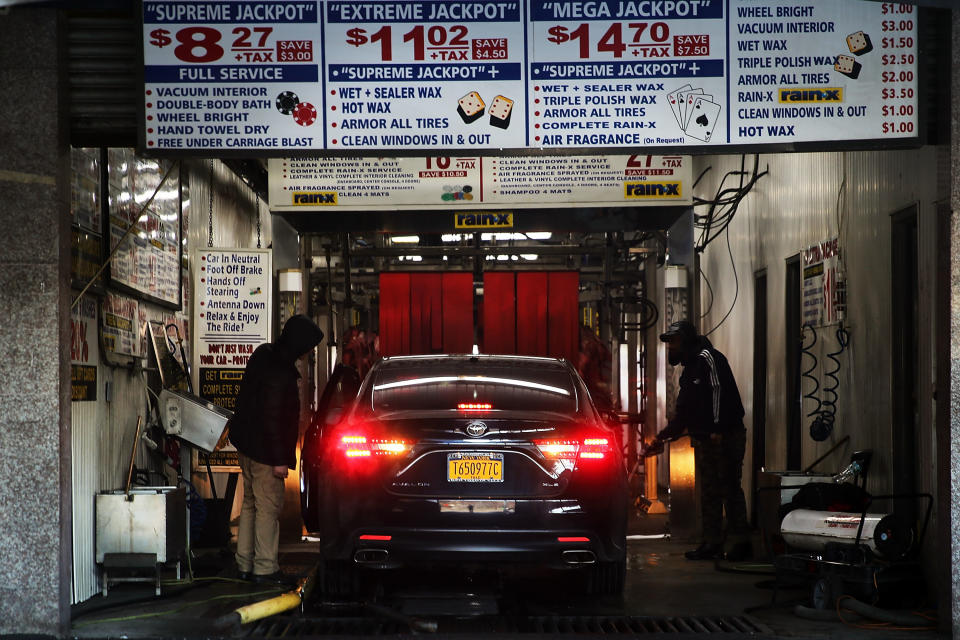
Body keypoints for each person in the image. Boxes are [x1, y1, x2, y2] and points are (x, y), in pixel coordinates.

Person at [228, 314, 324, 584]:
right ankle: (265, 569)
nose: (309, 352)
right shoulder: (282, 374)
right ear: (299, 343)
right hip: (266, 454)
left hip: (246, 446)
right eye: (308, 346)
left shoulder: (262, 354)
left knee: (250, 504)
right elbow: (273, 420)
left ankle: (244, 564)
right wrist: (281, 460)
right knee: (268, 508)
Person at [646, 320, 751, 561]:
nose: (670, 347)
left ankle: (741, 543)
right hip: (707, 439)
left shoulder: (708, 359)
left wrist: (716, 429)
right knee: (710, 491)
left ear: (685, 340)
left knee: (729, 488)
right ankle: (711, 542)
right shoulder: (689, 370)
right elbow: (683, 413)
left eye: (673, 341)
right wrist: (661, 438)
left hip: (725, 435)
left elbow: (717, 392)